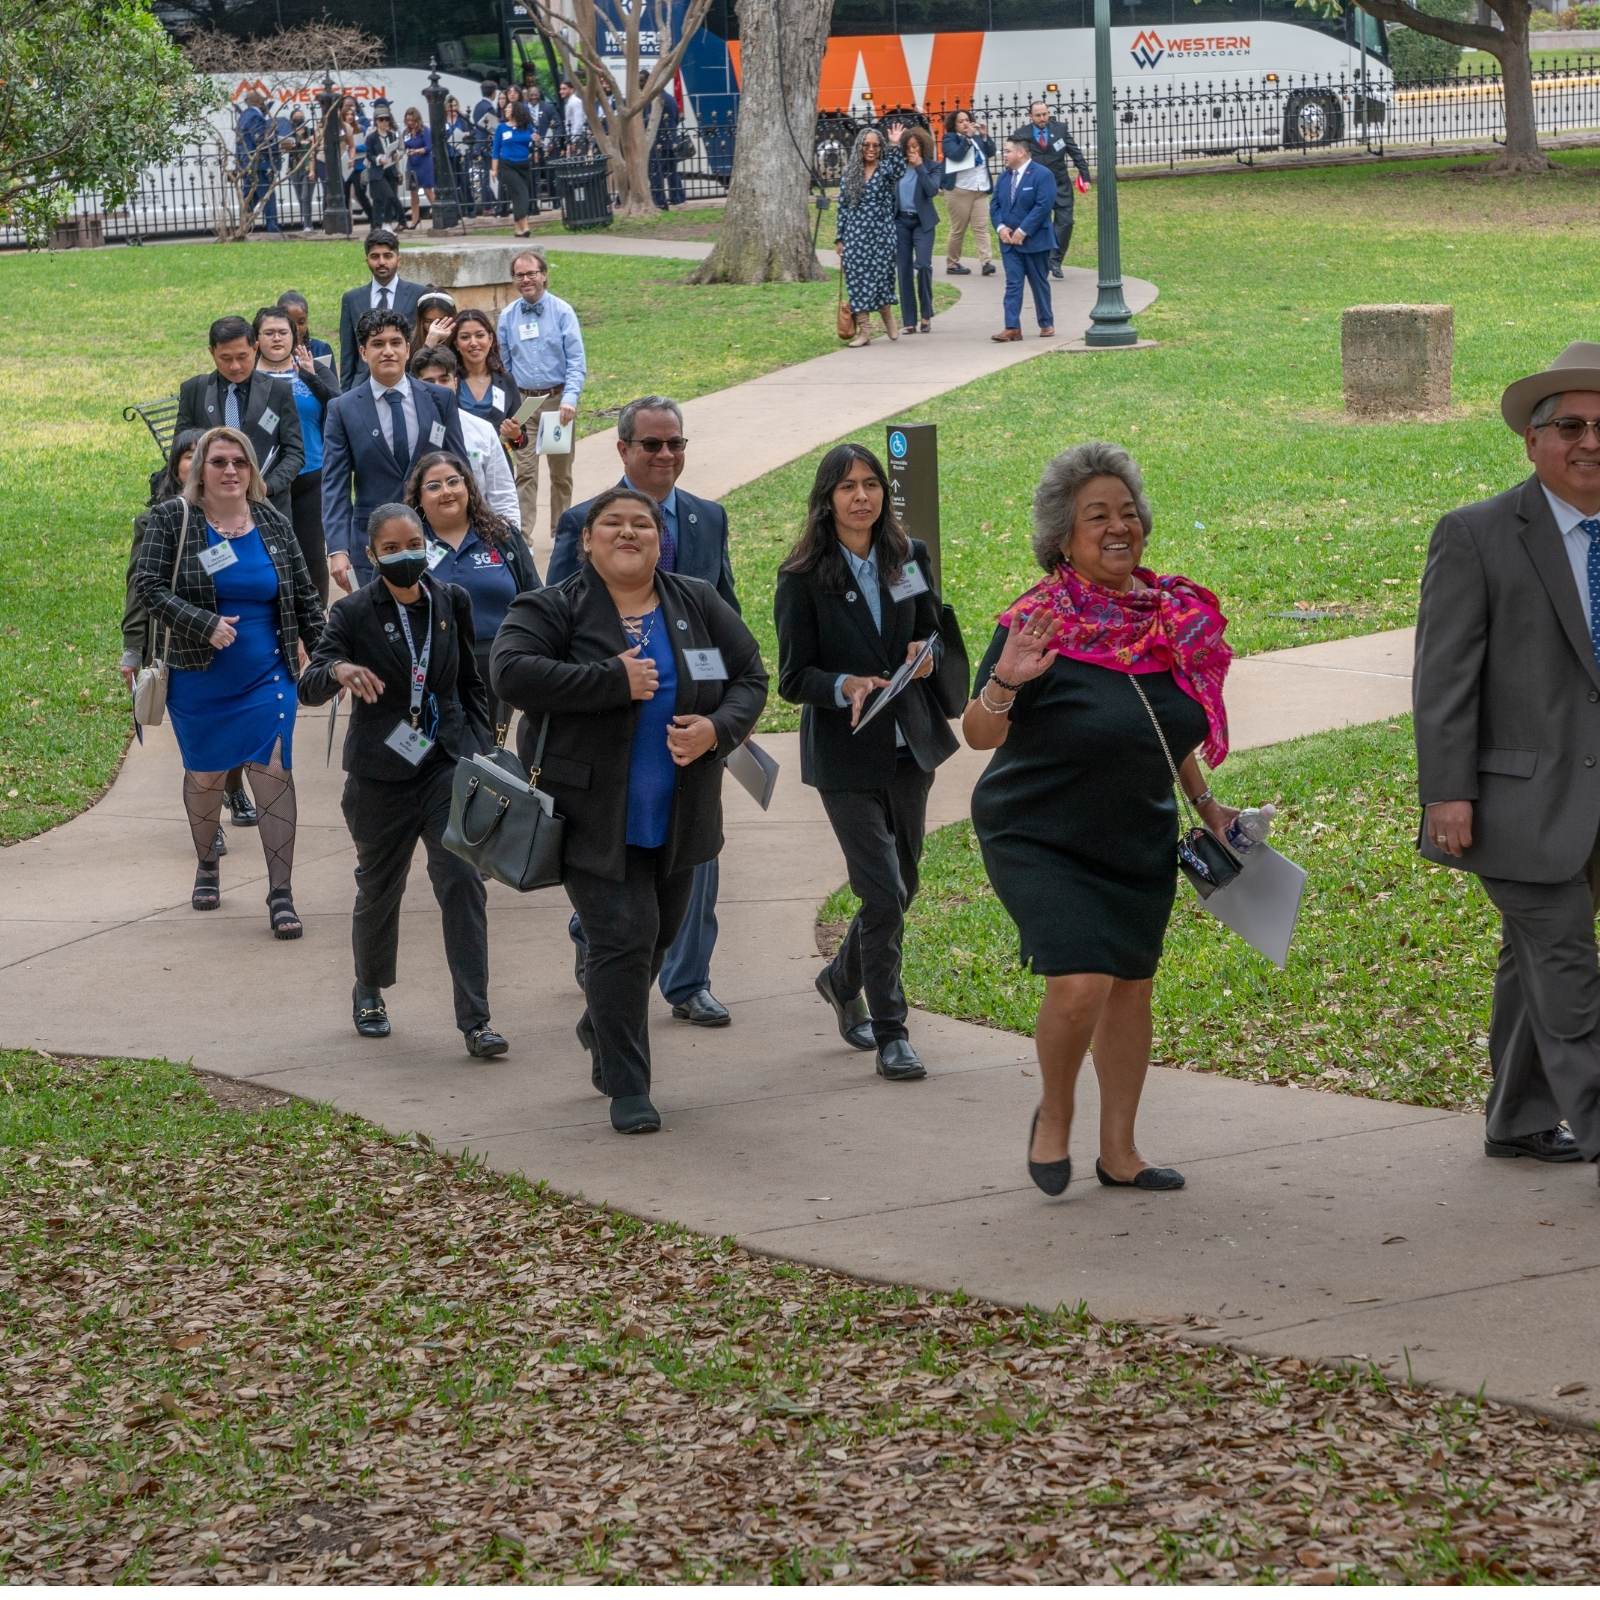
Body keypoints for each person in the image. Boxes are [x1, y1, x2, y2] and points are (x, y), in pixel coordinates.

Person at [963, 443, 1235, 1197]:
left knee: (1131, 987)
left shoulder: (1171, 617)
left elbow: (1161, 726)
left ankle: (1120, 1152)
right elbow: (979, 736)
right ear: (1063, 537)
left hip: (1135, 828)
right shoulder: (1039, 621)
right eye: (1098, 516)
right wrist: (1006, 682)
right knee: (1080, 979)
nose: (1120, 527)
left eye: (1128, 513)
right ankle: (1055, 1110)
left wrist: (1205, 802)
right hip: (1038, 830)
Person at [491, 487, 768, 1134]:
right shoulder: (554, 606)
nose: (628, 532)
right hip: (591, 816)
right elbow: (511, 673)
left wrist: (716, 730)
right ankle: (627, 1084)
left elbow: (750, 677)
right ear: (587, 541)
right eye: (611, 523)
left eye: (641, 523)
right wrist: (609, 680)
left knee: (658, 937)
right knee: (623, 936)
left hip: (680, 813)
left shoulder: (695, 601)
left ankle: (599, 1022)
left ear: (659, 539)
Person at [1414, 341, 1600, 1182]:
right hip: (1518, 805)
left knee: (1530, 968)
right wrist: (1447, 792)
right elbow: (1444, 679)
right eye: (1570, 425)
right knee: (1567, 974)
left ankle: (1517, 1121)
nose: (1590, 441)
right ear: (1532, 441)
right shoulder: (1478, 535)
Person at [549, 396, 738, 1025]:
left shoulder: (708, 519)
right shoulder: (584, 520)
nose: (665, 455)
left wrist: (722, 712)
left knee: (693, 860)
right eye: (651, 445)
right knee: (615, 883)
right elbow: (556, 621)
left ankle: (689, 981)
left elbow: (726, 621)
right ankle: (601, 952)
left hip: (692, 731)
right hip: (610, 735)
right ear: (623, 449)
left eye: (675, 444)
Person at [773, 444, 957, 1083]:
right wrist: (844, 683)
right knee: (881, 893)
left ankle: (840, 977)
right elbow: (793, 678)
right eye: (847, 486)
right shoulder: (801, 576)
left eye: (871, 484)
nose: (861, 497)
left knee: (901, 887)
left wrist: (924, 652)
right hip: (845, 756)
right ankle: (892, 1033)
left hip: (911, 748)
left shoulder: (908, 559)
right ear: (826, 500)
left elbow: (933, 628)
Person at [298, 503, 509, 1059]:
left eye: (412, 543)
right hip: (379, 777)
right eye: (391, 549)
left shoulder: (450, 601)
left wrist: (482, 748)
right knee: (379, 888)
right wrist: (337, 671)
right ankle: (369, 989)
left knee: (462, 882)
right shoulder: (353, 614)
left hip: (445, 765)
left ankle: (476, 1019)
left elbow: (469, 681)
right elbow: (310, 684)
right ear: (371, 555)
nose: (404, 555)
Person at [134, 426, 325, 939]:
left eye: (240, 462)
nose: (230, 470)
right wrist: (204, 624)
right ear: (200, 471)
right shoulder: (172, 520)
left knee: (273, 772)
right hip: (198, 678)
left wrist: (328, 656)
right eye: (218, 462)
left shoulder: (272, 522)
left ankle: (281, 893)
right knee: (206, 777)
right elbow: (147, 588)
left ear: (252, 469)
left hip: (268, 673)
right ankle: (207, 864)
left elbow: (305, 596)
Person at [121, 429, 248, 851]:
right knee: (202, 737)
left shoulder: (245, 513)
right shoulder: (159, 518)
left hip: (235, 638)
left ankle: (233, 786)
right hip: (180, 643)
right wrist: (133, 649)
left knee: (236, 729)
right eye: (190, 455)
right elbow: (140, 587)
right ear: (177, 464)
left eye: (205, 456)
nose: (196, 463)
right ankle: (210, 824)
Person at [322, 307, 469, 593]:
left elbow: (460, 468)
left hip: (436, 533)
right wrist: (337, 548)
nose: (387, 351)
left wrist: (472, 524)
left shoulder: (440, 399)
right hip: (375, 542)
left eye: (395, 342)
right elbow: (335, 486)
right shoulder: (343, 409)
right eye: (378, 344)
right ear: (364, 352)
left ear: (407, 348)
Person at [405, 447, 539, 727]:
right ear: (419, 497)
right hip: (431, 668)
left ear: (468, 486)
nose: (447, 491)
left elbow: (535, 598)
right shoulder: (408, 545)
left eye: (454, 481)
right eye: (434, 486)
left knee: (485, 751)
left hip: (497, 666)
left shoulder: (501, 536)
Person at [175, 315, 304, 522]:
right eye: (225, 358)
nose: (235, 366)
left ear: (255, 348)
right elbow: (180, 448)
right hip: (208, 508)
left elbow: (294, 452)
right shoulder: (194, 391)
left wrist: (266, 486)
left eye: (242, 357)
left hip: (266, 507)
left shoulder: (277, 392)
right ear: (212, 353)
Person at [496, 247, 586, 538]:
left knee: (560, 474)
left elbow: (576, 361)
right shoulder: (508, 317)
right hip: (524, 405)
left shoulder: (562, 312)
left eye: (531, 273)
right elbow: (504, 365)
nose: (526, 280)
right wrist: (509, 406)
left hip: (556, 403)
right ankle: (523, 536)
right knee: (524, 472)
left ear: (544, 276)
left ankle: (561, 532)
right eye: (519, 275)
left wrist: (570, 399)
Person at [253, 304, 334, 601]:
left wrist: (312, 375)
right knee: (272, 555)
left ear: (295, 335)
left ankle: (317, 625)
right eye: (269, 333)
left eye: (283, 332)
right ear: (257, 339)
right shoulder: (246, 375)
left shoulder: (313, 367)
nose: (277, 339)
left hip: (312, 474)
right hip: (265, 481)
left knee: (313, 555)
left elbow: (339, 407)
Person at [407, 348, 521, 531]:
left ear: (455, 382)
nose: (437, 387)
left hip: (478, 533)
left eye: (444, 380)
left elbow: (503, 494)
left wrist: (510, 539)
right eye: (429, 382)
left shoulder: (482, 430)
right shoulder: (408, 432)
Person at [835, 123, 908, 348]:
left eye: (876, 145)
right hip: (856, 234)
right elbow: (843, 206)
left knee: (881, 277)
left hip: (881, 233)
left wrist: (895, 144)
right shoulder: (850, 174)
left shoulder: (886, 169)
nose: (871, 149)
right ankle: (865, 330)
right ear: (859, 146)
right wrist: (840, 237)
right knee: (857, 280)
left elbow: (899, 170)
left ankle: (887, 315)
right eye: (866, 145)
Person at [1008, 100, 1090, 279]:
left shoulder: (1060, 129)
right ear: (1031, 116)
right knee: (1036, 223)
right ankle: (1036, 261)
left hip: (1060, 183)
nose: (1042, 118)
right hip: (1035, 186)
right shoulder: (1022, 134)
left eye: (1044, 114)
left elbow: (1074, 151)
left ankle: (1055, 260)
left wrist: (1085, 174)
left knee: (1066, 222)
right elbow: (1013, 158)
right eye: (1038, 115)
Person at [990, 131, 1058, 342]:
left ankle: (1046, 322)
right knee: (1013, 283)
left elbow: (1043, 206)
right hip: (1009, 243)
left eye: (1007, 151)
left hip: (1035, 241)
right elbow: (995, 205)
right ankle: (1012, 327)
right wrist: (1001, 227)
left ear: (1021, 153)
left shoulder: (1042, 174)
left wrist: (1023, 230)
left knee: (1039, 282)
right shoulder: (1004, 177)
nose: (1004, 155)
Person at [337, 229, 424, 393]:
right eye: (375, 256)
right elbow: (347, 354)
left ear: (398, 259)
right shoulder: (352, 299)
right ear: (367, 260)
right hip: (362, 386)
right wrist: (345, 392)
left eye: (388, 255)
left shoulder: (418, 294)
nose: (381, 262)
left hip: (406, 382)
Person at [893, 124, 942, 337]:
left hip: (923, 223)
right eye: (909, 147)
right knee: (903, 270)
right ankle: (910, 320)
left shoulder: (933, 166)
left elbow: (932, 190)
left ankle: (926, 314)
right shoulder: (898, 167)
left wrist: (920, 166)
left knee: (922, 266)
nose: (912, 152)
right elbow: (885, 169)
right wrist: (894, 145)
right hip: (901, 222)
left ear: (923, 148)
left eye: (916, 147)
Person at [941, 110, 996, 277]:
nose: (965, 123)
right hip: (960, 190)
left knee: (981, 227)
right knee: (958, 229)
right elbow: (956, 156)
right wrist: (967, 139)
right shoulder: (949, 139)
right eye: (961, 121)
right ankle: (952, 263)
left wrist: (985, 136)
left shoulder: (977, 138)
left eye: (967, 120)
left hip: (980, 188)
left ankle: (986, 262)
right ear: (954, 125)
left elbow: (991, 152)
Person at [447, 308, 516, 436]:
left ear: (490, 339)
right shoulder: (447, 380)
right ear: (456, 344)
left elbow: (520, 443)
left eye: (479, 335)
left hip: (496, 454)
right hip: (458, 455)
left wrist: (516, 436)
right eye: (465, 337)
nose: (473, 343)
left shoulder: (506, 379)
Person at [236, 89, 281, 235]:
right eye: (262, 100)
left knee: (250, 196)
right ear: (257, 102)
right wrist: (275, 138)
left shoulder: (243, 116)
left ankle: (244, 225)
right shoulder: (256, 116)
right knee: (266, 195)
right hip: (259, 163)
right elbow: (260, 140)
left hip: (246, 163)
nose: (264, 103)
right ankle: (272, 226)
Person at [493, 100, 540, 235]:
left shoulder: (527, 127)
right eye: (506, 108)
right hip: (507, 165)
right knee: (522, 192)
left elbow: (537, 142)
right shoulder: (501, 128)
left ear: (516, 111)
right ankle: (525, 226)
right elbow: (495, 150)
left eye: (509, 108)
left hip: (524, 164)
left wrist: (536, 139)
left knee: (516, 196)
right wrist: (494, 169)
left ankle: (517, 229)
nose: (506, 110)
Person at [644, 71, 686, 210]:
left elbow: (650, 121)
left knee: (657, 173)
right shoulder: (669, 98)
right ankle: (677, 197)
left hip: (660, 142)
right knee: (672, 171)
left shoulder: (656, 99)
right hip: (671, 140)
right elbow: (675, 119)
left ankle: (659, 201)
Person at [277, 289, 337, 380]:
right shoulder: (271, 352)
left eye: (301, 322)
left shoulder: (321, 349)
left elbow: (334, 390)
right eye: (290, 323)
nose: (296, 328)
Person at [363, 104, 406, 230]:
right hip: (377, 172)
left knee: (387, 199)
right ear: (376, 121)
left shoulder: (392, 135)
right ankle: (401, 219)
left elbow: (398, 150)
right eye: (381, 119)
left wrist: (397, 155)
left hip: (391, 170)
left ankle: (385, 224)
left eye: (387, 119)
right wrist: (378, 159)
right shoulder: (371, 137)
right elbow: (368, 154)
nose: (384, 122)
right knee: (386, 196)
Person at [337, 96, 371, 227]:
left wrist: (354, 147)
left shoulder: (361, 128)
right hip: (345, 165)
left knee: (360, 194)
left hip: (358, 166)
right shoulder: (340, 130)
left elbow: (366, 146)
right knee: (345, 196)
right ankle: (347, 225)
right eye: (347, 113)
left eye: (352, 113)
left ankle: (373, 219)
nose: (350, 115)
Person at [285, 107, 320, 232]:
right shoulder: (290, 134)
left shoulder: (311, 133)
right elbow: (286, 151)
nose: (299, 119)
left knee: (306, 197)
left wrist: (312, 170)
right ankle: (307, 222)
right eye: (296, 117)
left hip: (307, 168)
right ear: (292, 120)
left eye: (301, 117)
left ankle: (308, 225)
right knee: (301, 198)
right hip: (294, 169)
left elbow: (313, 152)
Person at [401, 106, 435, 230]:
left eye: (412, 120)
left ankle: (438, 214)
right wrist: (406, 151)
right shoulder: (406, 133)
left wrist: (418, 151)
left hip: (424, 163)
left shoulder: (424, 130)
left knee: (428, 190)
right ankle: (415, 219)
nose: (410, 123)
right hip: (412, 164)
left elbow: (429, 146)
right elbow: (403, 146)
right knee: (413, 193)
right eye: (408, 120)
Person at [411, 289, 457, 354]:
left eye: (441, 321)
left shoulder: (460, 342)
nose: (434, 327)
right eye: (429, 321)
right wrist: (430, 343)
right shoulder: (409, 345)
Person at [558, 78, 588, 153]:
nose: (561, 91)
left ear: (572, 90)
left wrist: (573, 140)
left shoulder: (575, 102)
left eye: (564, 89)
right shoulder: (569, 102)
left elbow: (579, 122)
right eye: (561, 89)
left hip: (579, 139)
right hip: (573, 139)